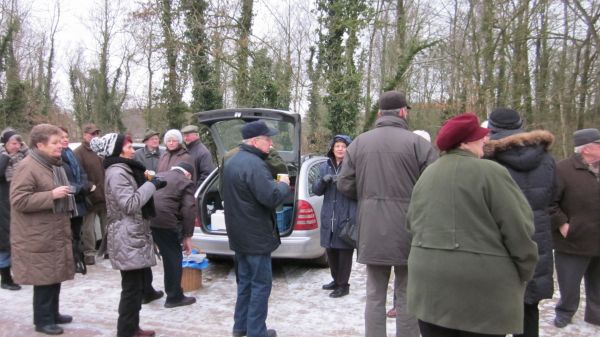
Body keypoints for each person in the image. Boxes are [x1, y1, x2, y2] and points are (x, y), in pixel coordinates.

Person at [406, 113, 539, 337]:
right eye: (480, 137)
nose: (485, 141)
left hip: (428, 289)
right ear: (465, 143)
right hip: (479, 296)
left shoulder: (428, 174)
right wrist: (525, 269)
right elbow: (518, 229)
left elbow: (411, 224)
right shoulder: (491, 172)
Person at [337, 90, 437, 337]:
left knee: (374, 295)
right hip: (410, 229)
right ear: (403, 112)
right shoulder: (419, 144)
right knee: (407, 294)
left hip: (372, 228)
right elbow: (435, 183)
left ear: (380, 113)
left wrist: (368, 198)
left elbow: (344, 183)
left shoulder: (359, 143)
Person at [484, 108, 556, 337]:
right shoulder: (546, 158)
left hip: (496, 241)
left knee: (492, 313)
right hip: (536, 238)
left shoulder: (485, 159)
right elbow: (553, 196)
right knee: (529, 309)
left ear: (491, 128)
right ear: (521, 126)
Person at [91, 133, 167, 337]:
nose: (133, 150)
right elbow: (129, 204)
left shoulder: (125, 169)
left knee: (137, 285)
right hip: (126, 235)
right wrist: (151, 185)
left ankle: (132, 327)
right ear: (117, 150)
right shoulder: (117, 172)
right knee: (132, 288)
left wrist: (149, 182)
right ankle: (126, 331)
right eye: (127, 147)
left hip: (133, 232)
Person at [223, 120, 292, 337]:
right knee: (261, 285)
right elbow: (270, 197)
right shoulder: (254, 164)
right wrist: (283, 184)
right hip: (255, 237)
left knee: (245, 282)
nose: (271, 144)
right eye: (268, 139)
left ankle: (240, 326)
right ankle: (256, 332)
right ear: (255, 141)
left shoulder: (232, 162)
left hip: (239, 235)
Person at [10, 124, 76, 335]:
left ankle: (53, 314)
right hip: (37, 235)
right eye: (55, 143)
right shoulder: (28, 166)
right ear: (40, 145)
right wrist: (52, 195)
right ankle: (43, 320)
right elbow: (19, 200)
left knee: (53, 275)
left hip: (52, 231)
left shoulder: (51, 165)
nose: (60, 146)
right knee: (44, 278)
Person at [549, 128, 600, 328]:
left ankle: (595, 314)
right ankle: (565, 311)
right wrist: (563, 225)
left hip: (598, 238)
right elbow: (550, 203)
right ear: (587, 149)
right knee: (569, 283)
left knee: (597, 282)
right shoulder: (562, 169)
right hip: (572, 240)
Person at [312, 135, 356, 298]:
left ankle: (343, 285)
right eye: (337, 146)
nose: (340, 149)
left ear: (348, 149)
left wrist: (344, 183)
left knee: (344, 251)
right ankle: (336, 280)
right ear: (332, 148)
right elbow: (316, 190)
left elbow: (359, 190)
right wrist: (323, 181)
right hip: (329, 214)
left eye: (343, 146)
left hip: (346, 214)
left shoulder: (353, 167)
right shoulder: (325, 166)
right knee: (331, 250)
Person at [149, 161, 196, 308]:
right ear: (188, 174)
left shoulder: (159, 175)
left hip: (149, 219)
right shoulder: (185, 181)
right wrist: (187, 235)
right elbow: (188, 209)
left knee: (146, 256)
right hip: (167, 222)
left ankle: (146, 292)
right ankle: (174, 297)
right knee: (173, 258)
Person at [59, 127, 94, 275]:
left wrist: (85, 184)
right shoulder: (56, 157)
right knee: (66, 235)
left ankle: (76, 260)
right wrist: (81, 187)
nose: (66, 139)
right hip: (66, 202)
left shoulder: (70, 154)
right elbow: (62, 182)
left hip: (78, 201)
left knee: (75, 233)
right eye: (62, 137)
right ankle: (69, 263)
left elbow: (82, 173)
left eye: (67, 136)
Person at [74, 123, 107, 266]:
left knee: (108, 225)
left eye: (96, 134)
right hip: (89, 197)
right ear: (85, 135)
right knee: (88, 228)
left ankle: (108, 250)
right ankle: (89, 253)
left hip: (105, 195)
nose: (94, 136)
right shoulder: (78, 152)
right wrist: (89, 186)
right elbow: (78, 175)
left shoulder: (102, 150)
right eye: (91, 134)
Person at [0, 128, 28, 291]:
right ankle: (5, 278)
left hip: (16, 205)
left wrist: (24, 150)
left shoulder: (21, 157)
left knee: (17, 241)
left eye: (18, 142)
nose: (16, 146)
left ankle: (17, 273)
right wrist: (5, 155)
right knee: (4, 244)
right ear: (5, 143)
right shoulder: (2, 157)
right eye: (13, 143)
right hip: (3, 205)